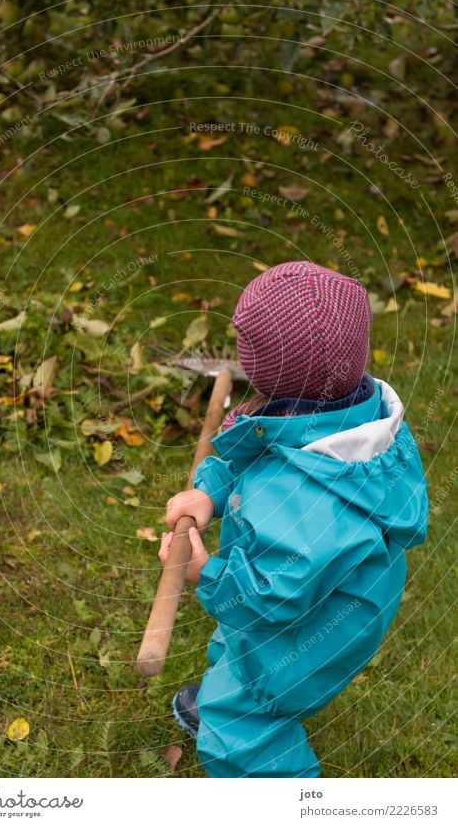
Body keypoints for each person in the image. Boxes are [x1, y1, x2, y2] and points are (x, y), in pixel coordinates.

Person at [159, 261, 428, 778]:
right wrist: (210, 493)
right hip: (330, 586)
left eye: (247, 344)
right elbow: (250, 448)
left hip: (323, 621)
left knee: (246, 723)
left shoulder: (308, 499)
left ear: (268, 366)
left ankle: (247, 725)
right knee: (241, 648)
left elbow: (272, 595)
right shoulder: (336, 408)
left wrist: (205, 572)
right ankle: (234, 686)